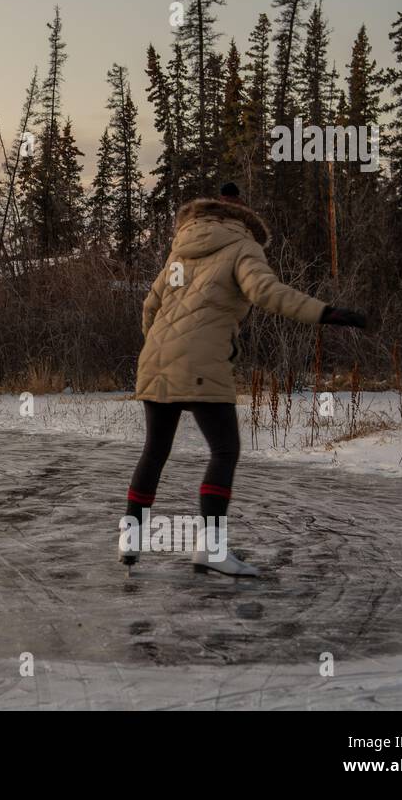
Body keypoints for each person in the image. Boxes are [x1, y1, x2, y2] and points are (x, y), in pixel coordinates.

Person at [123, 182, 366, 576]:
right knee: (224, 451)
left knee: (154, 451)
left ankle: (131, 541)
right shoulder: (242, 246)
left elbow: (150, 306)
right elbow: (267, 291)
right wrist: (326, 313)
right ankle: (212, 550)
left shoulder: (179, 251)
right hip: (202, 363)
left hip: (155, 362)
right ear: (243, 218)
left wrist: (161, 347)